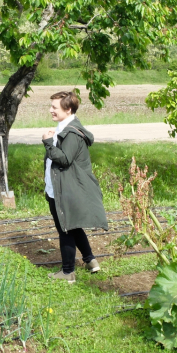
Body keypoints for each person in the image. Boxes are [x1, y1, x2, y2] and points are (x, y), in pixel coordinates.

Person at [42, 90, 108, 284]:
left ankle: (68, 272)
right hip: (61, 187)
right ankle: (90, 261)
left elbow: (64, 159)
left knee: (66, 228)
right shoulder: (66, 128)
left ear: (68, 109)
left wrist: (47, 143)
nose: (51, 110)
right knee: (73, 226)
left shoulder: (71, 133)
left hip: (66, 189)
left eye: (54, 107)